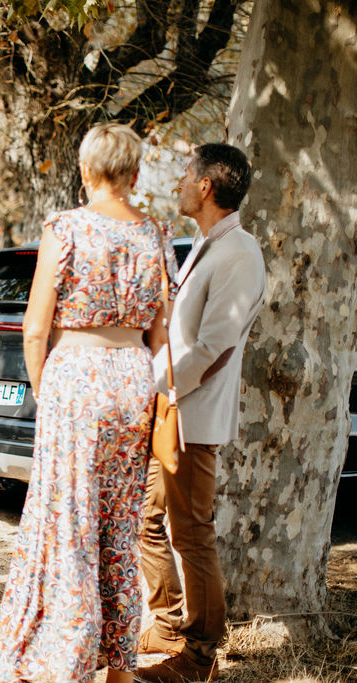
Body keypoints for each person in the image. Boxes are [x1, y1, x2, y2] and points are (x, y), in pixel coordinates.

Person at [0, 123, 176, 683]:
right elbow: (162, 334)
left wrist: (44, 391)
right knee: (119, 526)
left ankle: (66, 658)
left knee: (69, 521)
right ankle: (120, 668)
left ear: (86, 170)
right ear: (135, 174)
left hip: (76, 378)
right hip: (133, 380)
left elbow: (34, 329)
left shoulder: (66, 227)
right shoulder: (156, 233)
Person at [136, 145, 266, 683]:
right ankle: (167, 625)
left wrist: (154, 389)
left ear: (207, 185)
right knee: (144, 519)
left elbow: (214, 348)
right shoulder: (208, 245)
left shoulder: (240, 252)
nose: (179, 184)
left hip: (191, 417)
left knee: (192, 534)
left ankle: (198, 655)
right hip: (169, 410)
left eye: (186, 175)